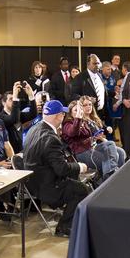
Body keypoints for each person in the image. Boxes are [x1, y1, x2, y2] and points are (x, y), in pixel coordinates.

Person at [23, 100, 89, 237]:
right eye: (63, 115)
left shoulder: (34, 128)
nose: (64, 117)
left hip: (31, 182)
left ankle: (71, 216)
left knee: (74, 179)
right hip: (45, 186)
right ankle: (64, 227)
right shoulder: (51, 138)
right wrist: (79, 167)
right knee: (82, 190)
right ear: (58, 116)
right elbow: (62, 169)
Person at [63, 99, 124, 177]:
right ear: (70, 113)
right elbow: (73, 132)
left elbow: (89, 136)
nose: (79, 112)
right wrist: (78, 118)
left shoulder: (83, 121)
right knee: (109, 158)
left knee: (119, 151)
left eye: (80, 110)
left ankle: (119, 175)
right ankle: (110, 177)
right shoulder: (68, 124)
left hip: (92, 147)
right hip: (82, 152)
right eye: (76, 110)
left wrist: (94, 138)